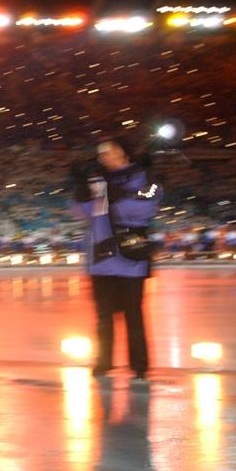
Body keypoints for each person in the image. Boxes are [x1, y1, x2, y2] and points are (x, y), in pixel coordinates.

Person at [72, 136, 161, 382]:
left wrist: (116, 197)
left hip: (130, 259)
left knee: (133, 314)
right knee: (103, 316)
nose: (103, 157)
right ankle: (103, 362)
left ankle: (139, 367)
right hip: (101, 259)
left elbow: (146, 208)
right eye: (101, 153)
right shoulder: (98, 180)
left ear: (124, 152)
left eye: (108, 151)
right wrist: (80, 189)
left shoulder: (144, 177)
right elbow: (84, 213)